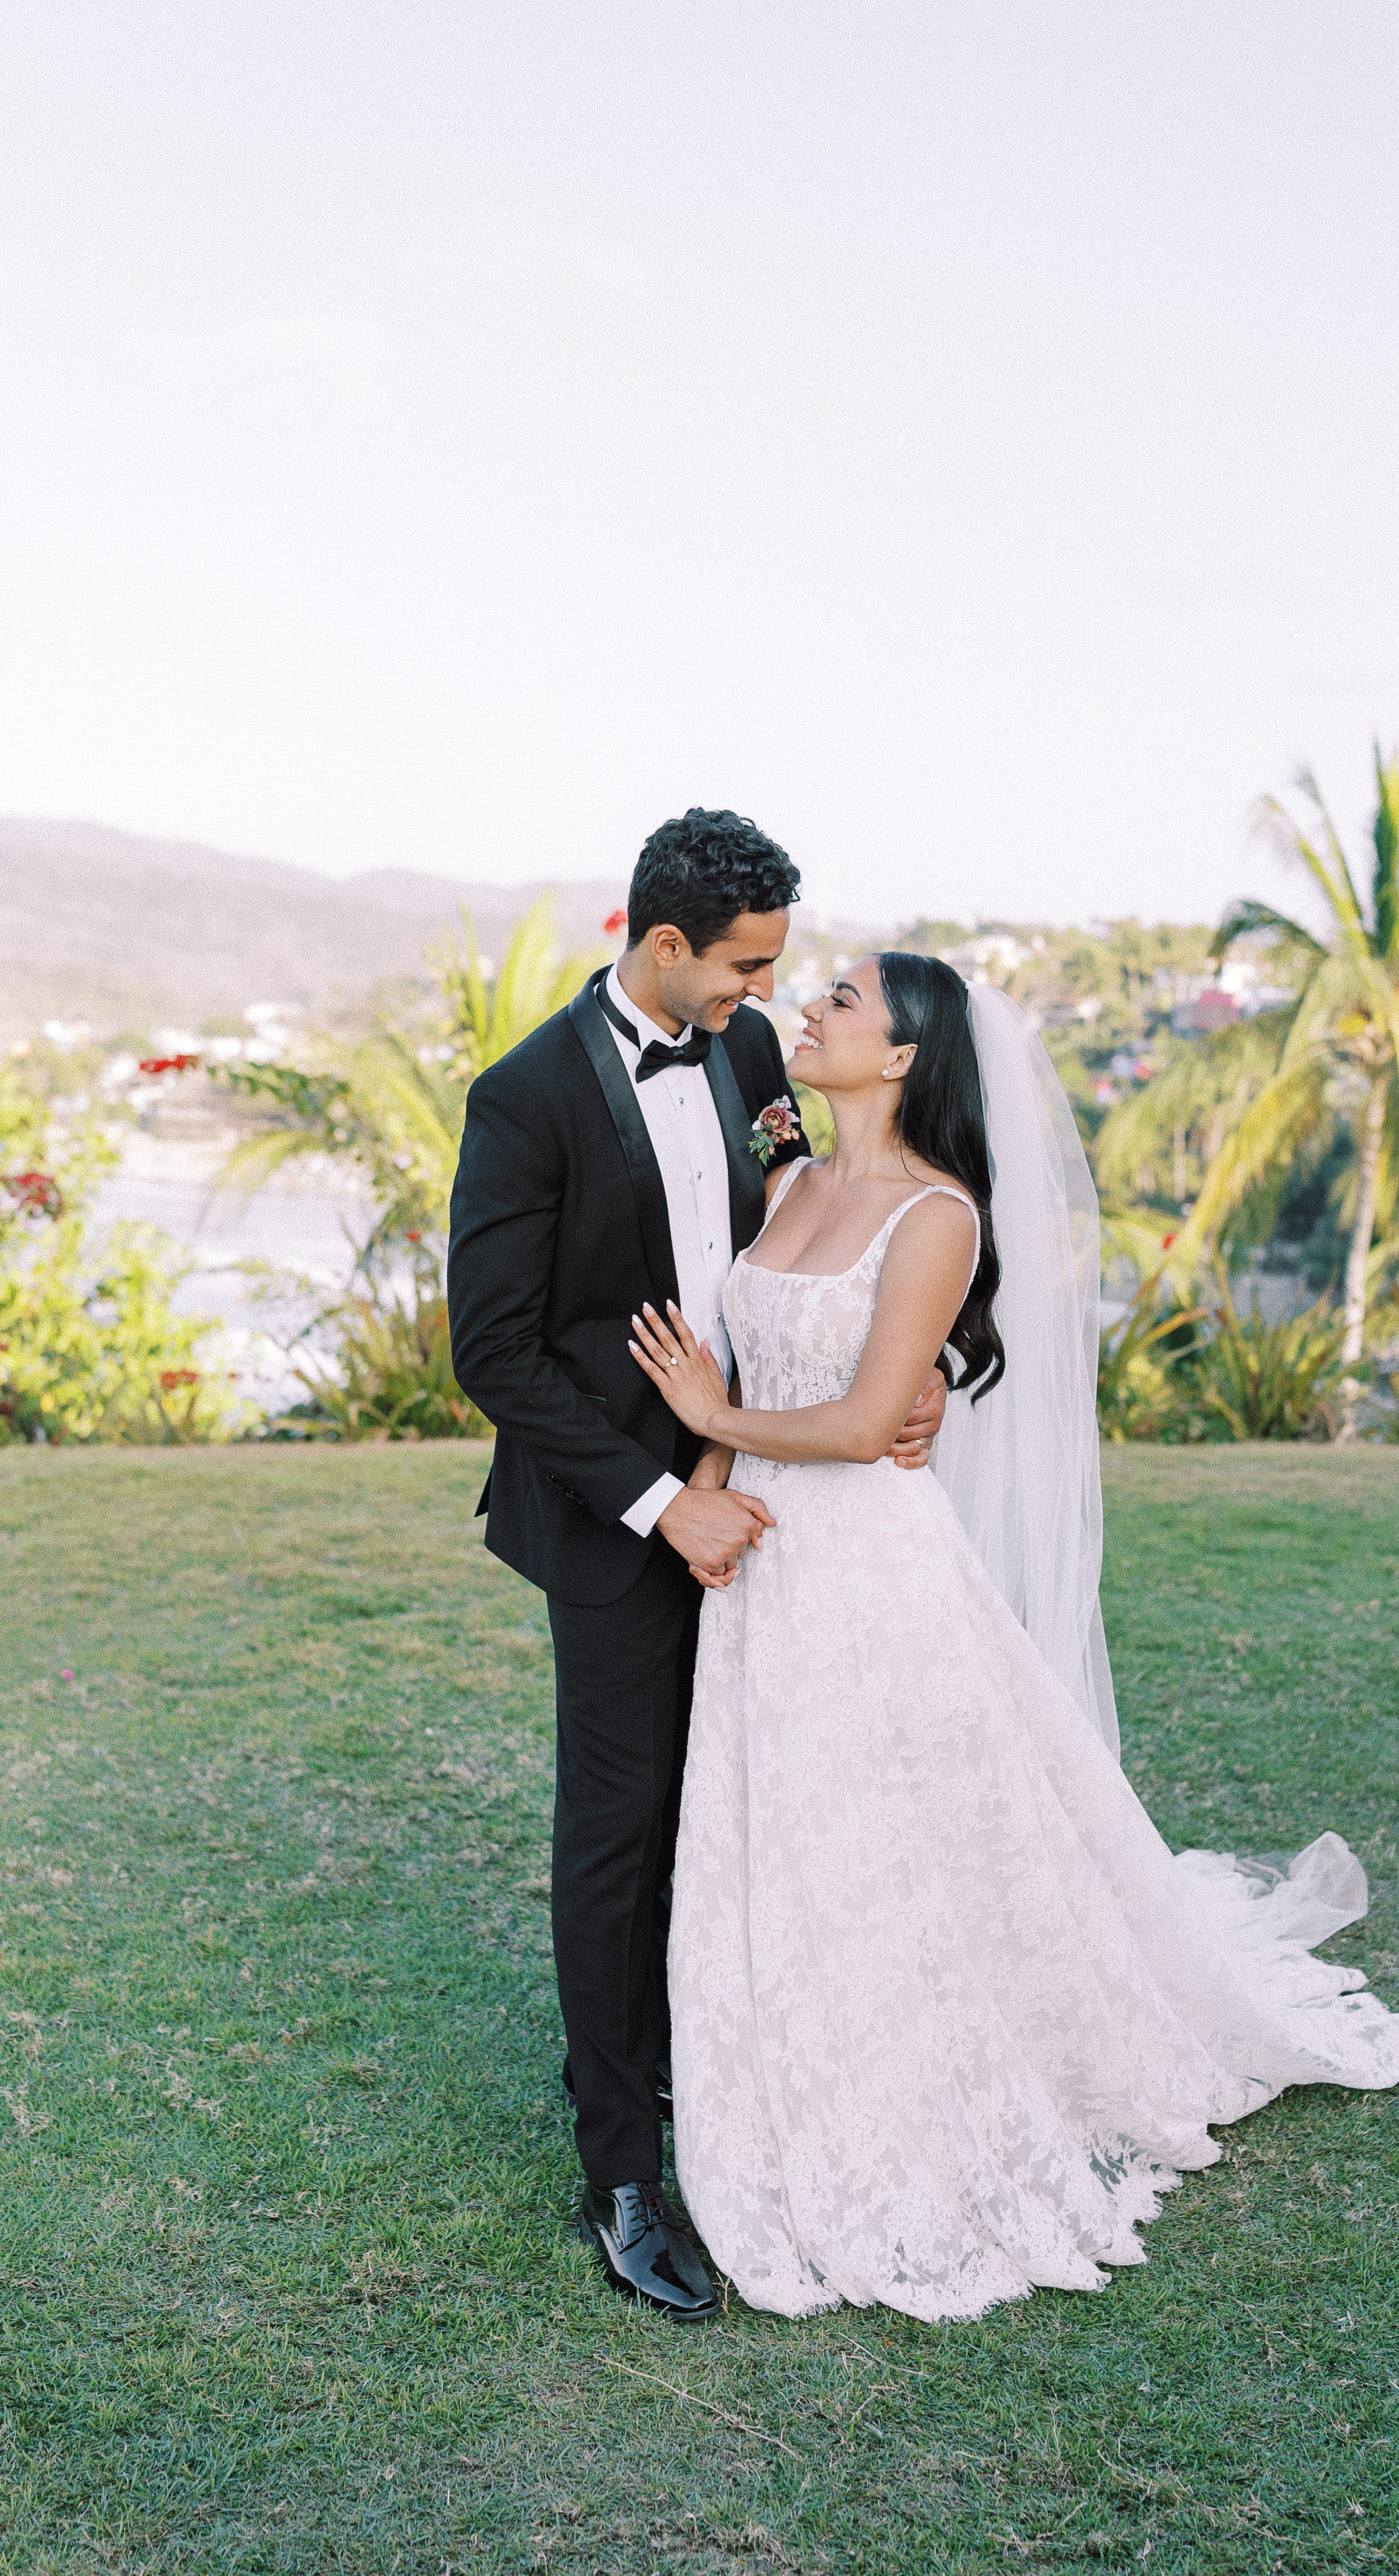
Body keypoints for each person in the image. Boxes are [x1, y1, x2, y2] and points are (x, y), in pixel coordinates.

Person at [627, 951, 1399, 2324]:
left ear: (900, 1059)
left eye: (843, 1001)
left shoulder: (936, 1217)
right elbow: (775, 1329)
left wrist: (710, 1423)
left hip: (864, 1560)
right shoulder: (791, 1179)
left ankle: (930, 2068)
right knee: (787, 1831)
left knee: (891, 1834)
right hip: (758, 1561)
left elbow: (851, 1419)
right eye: (813, 987)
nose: (813, 1007)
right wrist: (705, 1497)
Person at [447, 814, 947, 2324]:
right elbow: (493, 1352)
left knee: (732, 1805)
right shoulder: (524, 1094)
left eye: (778, 970)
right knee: (619, 1829)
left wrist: (912, 1380)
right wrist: (666, 1499)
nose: (764, 997)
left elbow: (826, 1228)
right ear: (660, 944)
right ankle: (620, 2171)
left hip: (776, 1497)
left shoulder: (743, 1066)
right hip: (616, 1521)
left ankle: (693, 2063)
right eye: (743, 968)